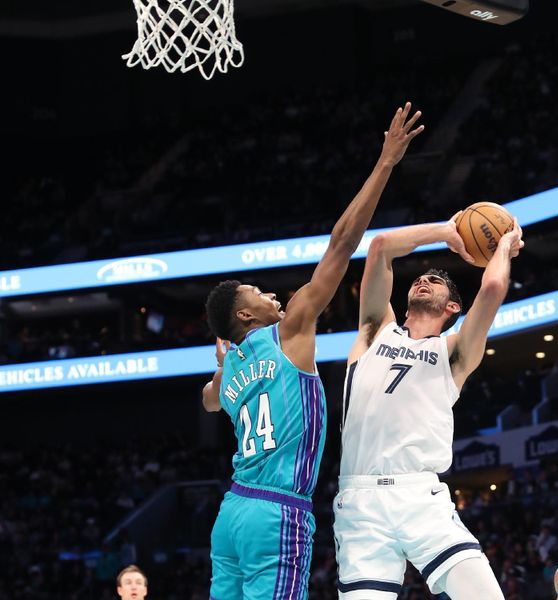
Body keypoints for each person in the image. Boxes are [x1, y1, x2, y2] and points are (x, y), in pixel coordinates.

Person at [201, 102, 425, 600]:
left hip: (231, 514)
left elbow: (209, 402)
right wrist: (385, 162)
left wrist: (220, 371)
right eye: (257, 293)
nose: (271, 295)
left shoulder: (232, 364)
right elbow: (343, 243)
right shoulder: (290, 329)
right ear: (245, 317)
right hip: (276, 511)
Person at [333, 214, 524, 599]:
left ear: (452, 306)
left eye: (435, 281)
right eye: (420, 279)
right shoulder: (375, 330)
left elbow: (493, 288)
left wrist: (503, 245)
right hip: (359, 501)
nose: (423, 280)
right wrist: (446, 232)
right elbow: (381, 247)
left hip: (419, 496)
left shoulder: (453, 353)